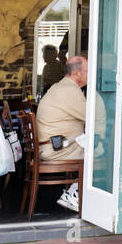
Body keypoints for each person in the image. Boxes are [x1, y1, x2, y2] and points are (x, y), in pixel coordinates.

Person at [36, 54, 89, 211]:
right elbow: (93, 118)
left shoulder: (60, 86)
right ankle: (74, 194)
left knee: (91, 144)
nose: (91, 74)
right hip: (57, 148)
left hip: (54, 144)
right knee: (102, 152)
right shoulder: (70, 91)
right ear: (77, 73)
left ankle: (76, 191)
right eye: (88, 70)